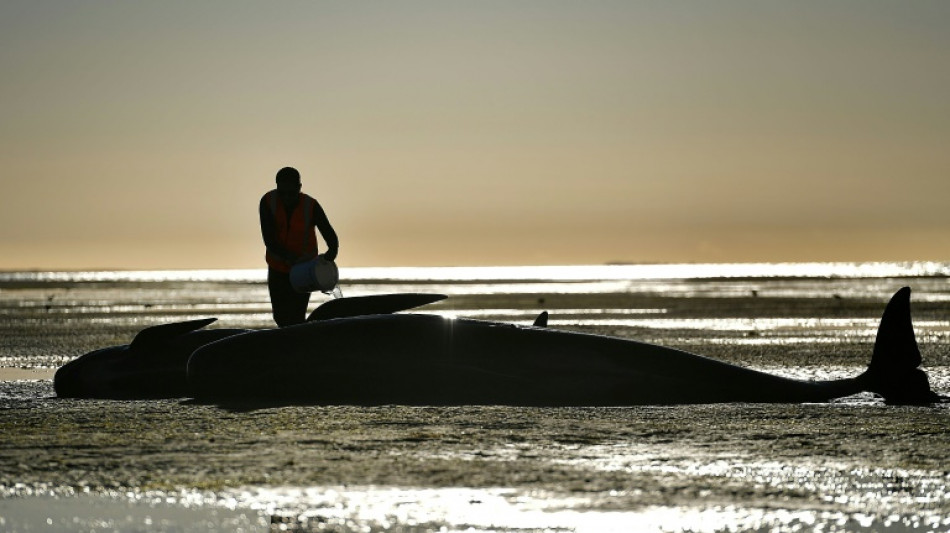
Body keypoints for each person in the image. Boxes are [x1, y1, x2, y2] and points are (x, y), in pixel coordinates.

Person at [260, 166, 339, 327]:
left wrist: (329, 256)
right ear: (277, 188)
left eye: (291, 193)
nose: (287, 197)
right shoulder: (268, 202)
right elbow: (269, 239)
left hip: (304, 271)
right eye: (282, 193)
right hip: (278, 269)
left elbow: (330, 237)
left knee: (296, 317)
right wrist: (289, 258)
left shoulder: (311, 206)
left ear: (299, 188)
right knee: (280, 317)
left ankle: (300, 345)